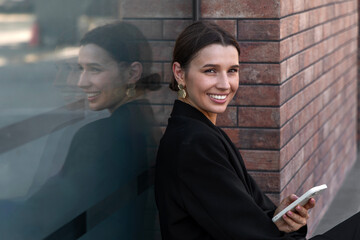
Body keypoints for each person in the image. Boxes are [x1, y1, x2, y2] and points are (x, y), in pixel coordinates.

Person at [154, 21, 360, 240]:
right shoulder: (193, 145)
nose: (225, 84)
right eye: (210, 71)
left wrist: (280, 219)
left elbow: (239, 219)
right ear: (179, 73)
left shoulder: (201, 133)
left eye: (232, 71)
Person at [0, 21, 161, 240]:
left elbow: (44, 217)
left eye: (95, 69)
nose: (82, 82)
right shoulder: (142, 121)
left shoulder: (102, 135)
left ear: (132, 73)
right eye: (81, 69)